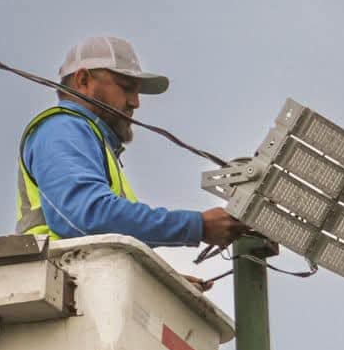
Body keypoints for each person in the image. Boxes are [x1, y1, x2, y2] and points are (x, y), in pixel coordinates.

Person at [16, 35, 245, 250]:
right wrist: (197, 226)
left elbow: (101, 235)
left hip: (78, 279)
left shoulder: (88, 138)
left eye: (137, 92)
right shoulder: (63, 128)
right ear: (83, 79)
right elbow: (88, 218)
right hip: (63, 283)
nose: (135, 103)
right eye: (126, 88)